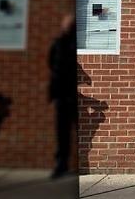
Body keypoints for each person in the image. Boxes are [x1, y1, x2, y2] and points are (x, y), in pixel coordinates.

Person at [48, 14, 78, 179]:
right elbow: (52, 65)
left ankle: (66, 163)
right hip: (62, 95)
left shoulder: (71, 44)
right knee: (62, 131)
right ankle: (62, 163)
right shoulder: (58, 44)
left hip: (70, 95)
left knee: (66, 131)